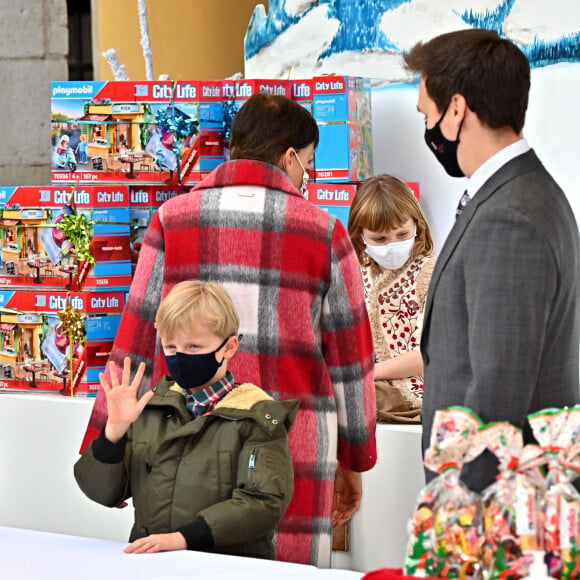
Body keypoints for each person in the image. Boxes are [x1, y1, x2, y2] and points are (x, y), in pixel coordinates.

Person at [79, 92, 377, 568]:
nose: (307, 176)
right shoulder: (324, 232)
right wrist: (356, 455)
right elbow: (352, 362)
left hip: (183, 442)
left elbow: (135, 338)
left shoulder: (171, 219)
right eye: (309, 165)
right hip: (292, 447)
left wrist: (104, 445)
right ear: (289, 158)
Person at [403, 29, 580, 492]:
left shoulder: (509, 218)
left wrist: (454, 512)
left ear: (457, 109)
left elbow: (496, 397)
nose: (427, 131)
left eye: (427, 114)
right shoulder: (526, 192)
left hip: (493, 518)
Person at [75, 280, 298, 559]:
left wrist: (184, 538)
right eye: (170, 346)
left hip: (228, 569)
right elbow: (103, 493)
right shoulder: (150, 408)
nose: (180, 357)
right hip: (152, 565)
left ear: (229, 347)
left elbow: (263, 503)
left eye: (193, 346)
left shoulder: (256, 418)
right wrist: (113, 434)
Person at [347, 174, 436, 419]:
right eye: (379, 239)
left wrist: (366, 372)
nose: (391, 245)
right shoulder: (354, 275)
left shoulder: (430, 273)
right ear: (360, 235)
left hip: (420, 397)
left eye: (401, 234)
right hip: (371, 392)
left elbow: (427, 351)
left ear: (417, 226)